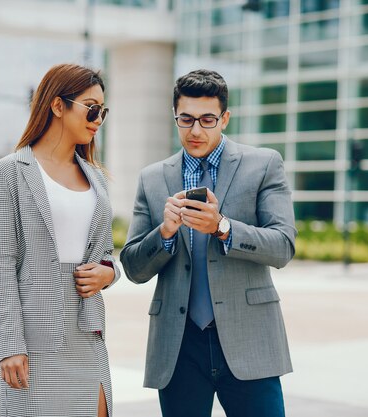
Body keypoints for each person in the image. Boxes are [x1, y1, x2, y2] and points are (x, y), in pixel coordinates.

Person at [120, 69, 297, 417]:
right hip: (178, 346)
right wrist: (165, 234)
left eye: (207, 119)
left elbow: (283, 246)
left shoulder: (263, 164)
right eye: (186, 119)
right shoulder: (152, 178)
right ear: (175, 117)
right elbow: (133, 268)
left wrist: (223, 227)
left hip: (250, 340)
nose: (196, 130)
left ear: (225, 118)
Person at [0, 63, 120, 417]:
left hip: (87, 332)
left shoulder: (98, 179)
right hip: (34, 340)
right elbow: (1, 267)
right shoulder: (7, 174)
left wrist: (110, 273)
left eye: (102, 112)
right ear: (58, 105)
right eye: (91, 108)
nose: (97, 119)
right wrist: (9, 344)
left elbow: (106, 254)